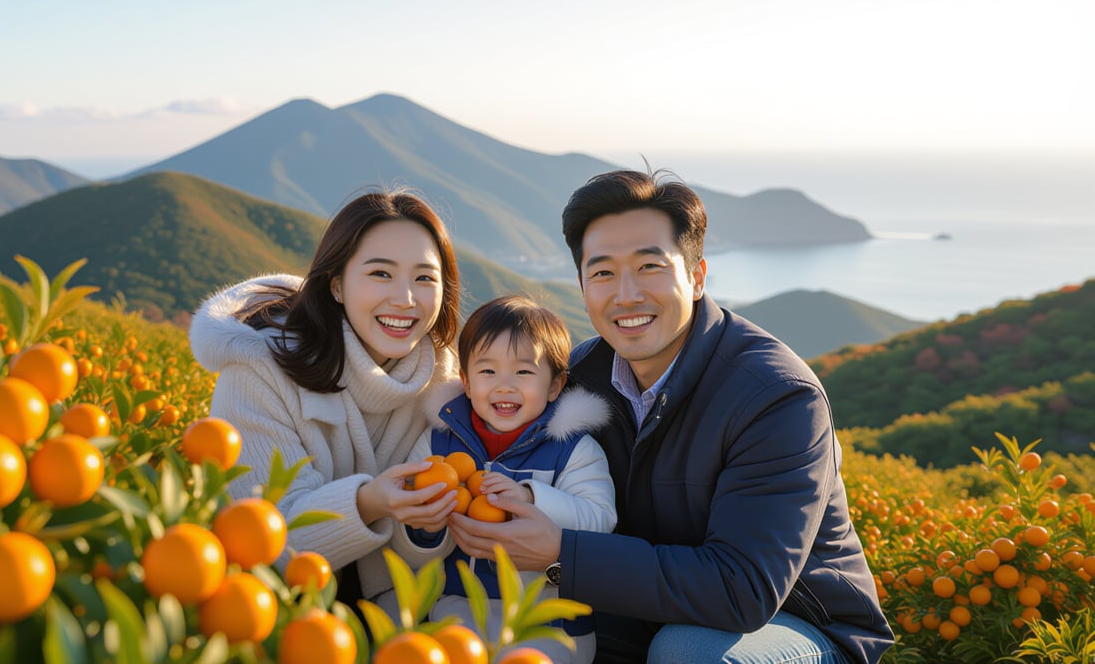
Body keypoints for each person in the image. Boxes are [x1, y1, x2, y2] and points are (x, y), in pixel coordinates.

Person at [448, 170, 895, 663]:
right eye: (602, 273)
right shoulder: (575, 379)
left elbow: (741, 591)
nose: (626, 294)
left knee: (689, 653)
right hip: (641, 608)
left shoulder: (777, 398)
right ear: (582, 286)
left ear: (697, 275)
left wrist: (559, 553)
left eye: (649, 267)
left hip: (794, 625)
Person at [188, 189, 464, 606]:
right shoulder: (259, 371)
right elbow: (262, 541)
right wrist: (368, 503)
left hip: (391, 615)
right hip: (264, 610)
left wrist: (426, 526)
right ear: (337, 284)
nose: (405, 299)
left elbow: (422, 556)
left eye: (424, 277)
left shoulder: (440, 377)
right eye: (380, 274)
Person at [408, 295, 617, 664]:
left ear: (555, 385)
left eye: (523, 372)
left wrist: (533, 497)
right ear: (467, 383)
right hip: (458, 610)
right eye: (487, 372)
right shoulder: (438, 444)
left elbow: (599, 520)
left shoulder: (572, 449)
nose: (504, 386)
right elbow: (406, 526)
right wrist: (425, 526)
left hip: (547, 622)